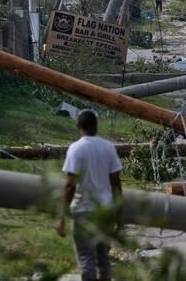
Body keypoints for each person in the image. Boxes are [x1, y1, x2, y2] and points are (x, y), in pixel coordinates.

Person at [56, 110, 123, 281]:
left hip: (83, 210)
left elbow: (70, 186)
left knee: (87, 259)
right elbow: (116, 184)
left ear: (79, 126)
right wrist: (119, 214)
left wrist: (61, 217)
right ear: (96, 126)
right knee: (103, 259)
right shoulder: (108, 147)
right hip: (104, 210)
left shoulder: (75, 149)